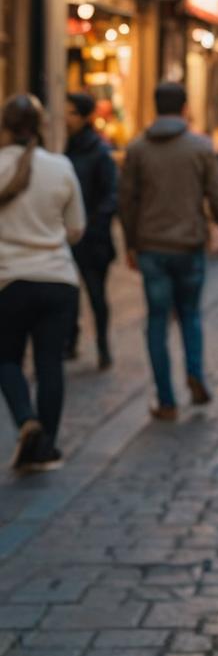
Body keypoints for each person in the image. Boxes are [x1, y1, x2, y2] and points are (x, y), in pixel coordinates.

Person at [119, 82, 218, 420]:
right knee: (190, 314)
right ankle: (195, 375)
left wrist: (131, 243)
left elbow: (126, 202)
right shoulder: (200, 147)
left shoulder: (138, 148)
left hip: (152, 247)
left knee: (157, 320)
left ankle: (166, 399)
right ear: (185, 107)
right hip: (189, 245)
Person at [0, 94, 85, 471]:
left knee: (5, 358)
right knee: (51, 362)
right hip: (57, 278)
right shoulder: (60, 166)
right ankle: (45, 445)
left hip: (9, 279)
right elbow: (76, 229)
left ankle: (25, 418)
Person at [64, 92, 118, 369]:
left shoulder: (99, 151)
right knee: (69, 295)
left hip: (93, 238)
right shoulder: (65, 148)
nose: (65, 117)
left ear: (84, 117)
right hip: (69, 237)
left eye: (71, 112)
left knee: (96, 295)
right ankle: (70, 342)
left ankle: (102, 345)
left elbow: (111, 195)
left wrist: (93, 224)